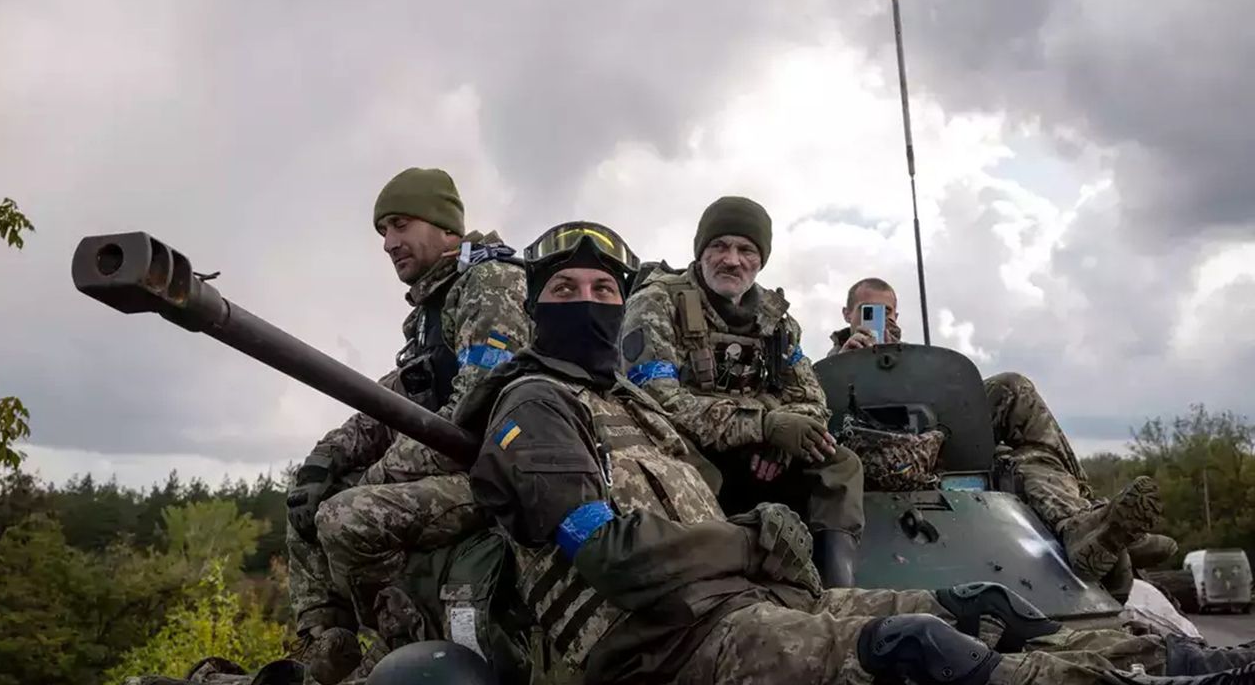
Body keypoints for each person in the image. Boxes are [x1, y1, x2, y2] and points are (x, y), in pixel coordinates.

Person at [457, 220, 1255, 685]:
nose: (589, 303)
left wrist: (781, 452)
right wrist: (753, 533)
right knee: (918, 648)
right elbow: (611, 553)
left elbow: (791, 412)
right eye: (565, 291)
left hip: (737, 601)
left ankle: (1175, 661)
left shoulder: (635, 400)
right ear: (532, 307)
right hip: (657, 642)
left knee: (979, 606)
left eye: (603, 288)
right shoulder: (536, 408)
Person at [284, 167, 530, 683]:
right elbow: (393, 396)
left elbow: (474, 407)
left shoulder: (491, 282)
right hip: (451, 467)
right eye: (383, 232)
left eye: (400, 225)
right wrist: (325, 458)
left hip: (496, 473)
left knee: (346, 516)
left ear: (445, 226)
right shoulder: (430, 307)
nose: (388, 243)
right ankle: (325, 645)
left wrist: (377, 478)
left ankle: (399, 641)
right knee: (308, 496)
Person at [826, 276, 1177, 584]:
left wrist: (905, 361)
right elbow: (821, 414)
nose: (883, 318)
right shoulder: (828, 368)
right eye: (869, 310)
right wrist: (845, 361)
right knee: (1020, 460)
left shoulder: (915, 360)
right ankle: (1095, 526)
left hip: (933, 448)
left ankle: (1086, 524)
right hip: (863, 459)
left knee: (1018, 411)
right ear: (847, 314)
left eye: (889, 312)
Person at [619, 196, 864, 587]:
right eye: (719, 246)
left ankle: (837, 589)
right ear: (700, 253)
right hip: (690, 448)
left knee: (840, 464)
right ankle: (715, 589)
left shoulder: (777, 321)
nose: (731, 260)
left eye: (746, 250)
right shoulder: (656, 302)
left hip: (761, 450)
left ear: (760, 260)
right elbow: (657, 401)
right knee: (686, 467)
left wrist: (782, 443)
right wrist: (763, 426)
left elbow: (811, 399)